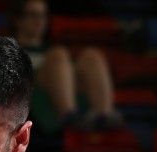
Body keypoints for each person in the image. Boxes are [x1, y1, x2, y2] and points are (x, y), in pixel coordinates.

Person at [11, 0, 122, 134]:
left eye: (43, 16)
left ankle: (104, 114)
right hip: (34, 102)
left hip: (71, 95)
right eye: (33, 15)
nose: (39, 21)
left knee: (91, 56)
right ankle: (69, 116)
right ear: (18, 19)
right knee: (59, 56)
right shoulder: (10, 49)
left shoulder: (50, 48)